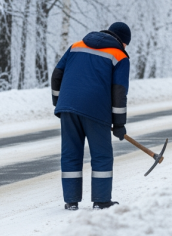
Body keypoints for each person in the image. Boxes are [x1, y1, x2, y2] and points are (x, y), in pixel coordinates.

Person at [50, 22, 131, 211]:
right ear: (123, 41)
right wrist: (119, 123)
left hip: (68, 107)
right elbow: (119, 91)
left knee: (70, 154)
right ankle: (101, 200)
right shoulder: (119, 55)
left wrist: (59, 100)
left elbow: (56, 75)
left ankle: (71, 201)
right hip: (96, 110)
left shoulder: (76, 46)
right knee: (101, 155)